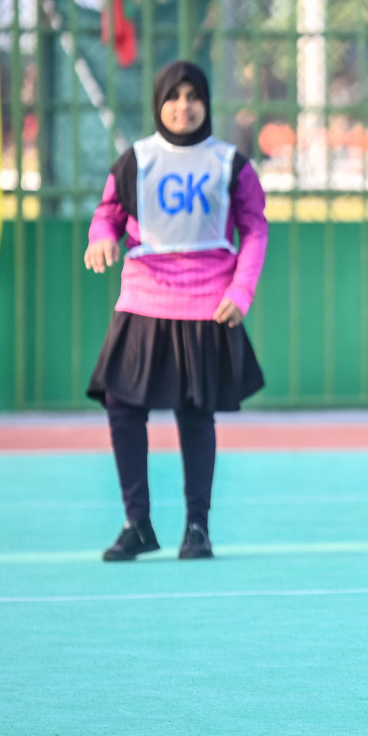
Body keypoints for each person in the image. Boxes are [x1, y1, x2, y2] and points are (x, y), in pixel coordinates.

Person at [85, 61, 268, 562]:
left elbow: (254, 229)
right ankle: (137, 523)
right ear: (158, 103)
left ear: (206, 104)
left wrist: (241, 290)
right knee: (122, 405)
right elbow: (108, 214)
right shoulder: (136, 161)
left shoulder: (230, 164)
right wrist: (101, 238)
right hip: (143, 299)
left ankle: (196, 528)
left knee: (195, 411)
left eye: (194, 96)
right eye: (173, 95)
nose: (183, 105)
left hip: (206, 303)